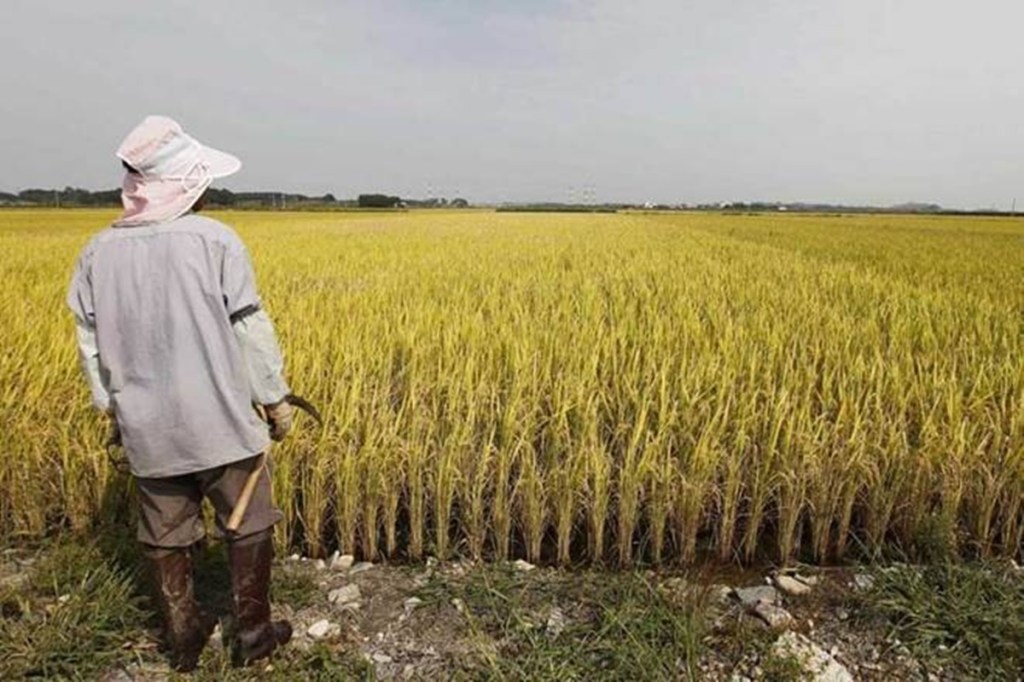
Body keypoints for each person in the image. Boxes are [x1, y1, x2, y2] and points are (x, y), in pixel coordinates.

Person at [67, 115, 294, 671]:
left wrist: (113, 411)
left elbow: (91, 345)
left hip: (147, 426)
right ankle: (254, 633)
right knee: (249, 518)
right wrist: (274, 398)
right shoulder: (215, 240)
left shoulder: (97, 253)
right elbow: (248, 325)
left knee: (165, 530)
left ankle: (183, 634)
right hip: (220, 420)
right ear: (187, 184)